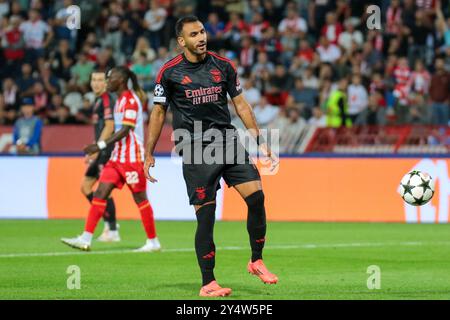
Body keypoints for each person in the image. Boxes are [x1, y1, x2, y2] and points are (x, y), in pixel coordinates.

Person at [144, 16, 279, 297]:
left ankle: (256, 260)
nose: (201, 37)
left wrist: (260, 141)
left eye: (203, 31)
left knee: (257, 198)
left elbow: (240, 104)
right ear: (182, 41)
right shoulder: (169, 73)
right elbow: (158, 113)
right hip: (194, 146)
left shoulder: (223, 66)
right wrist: (149, 152)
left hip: (227, 140)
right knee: (206, 217)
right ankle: (208, 283)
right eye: (194, 34)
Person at [61, 67, 160, 252]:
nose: (107, 82)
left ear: (121, 80)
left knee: (140, 199)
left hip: (132, 159)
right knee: (100, 193)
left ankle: (153, 242)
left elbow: (125, 130)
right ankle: (86, 238)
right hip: (116, 159)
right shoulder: (119, 101)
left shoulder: (130, 100)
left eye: (110, 78)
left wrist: (99, 146)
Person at [81, 71, 119, 242]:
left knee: (104, 190)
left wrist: (97, 148)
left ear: (106, 83)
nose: (96, 83)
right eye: (93, 79)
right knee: (86, 187)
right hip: (100, 150)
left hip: (106, 151)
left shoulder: (106, 99)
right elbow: (101, 128)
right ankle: (109, 224)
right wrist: (93, 148)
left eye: (100, 80)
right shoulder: (98, 100)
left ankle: (112, 229)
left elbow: (110, 126)